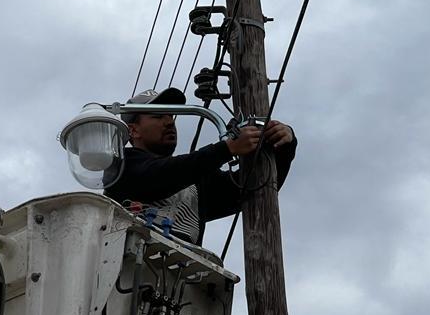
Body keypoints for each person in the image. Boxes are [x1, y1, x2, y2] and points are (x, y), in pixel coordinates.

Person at [104, 87, 297, 247]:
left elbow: (253, 189)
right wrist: (226, 149)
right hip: (126, 276)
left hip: (182, 280)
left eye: (171, 115)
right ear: (133, 130)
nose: (169, 121)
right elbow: (158, 176)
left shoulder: (196, 180)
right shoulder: (121, 167)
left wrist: (284, 145)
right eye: (158, 116)